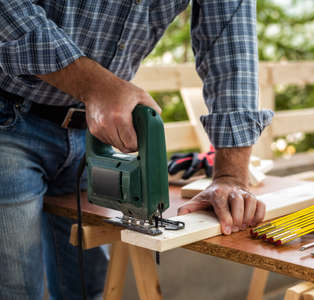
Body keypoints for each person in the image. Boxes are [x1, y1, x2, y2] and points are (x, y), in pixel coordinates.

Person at [0, 0, 273, 299]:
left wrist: (230, 176)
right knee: (15, 290)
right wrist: (96, 85)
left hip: (93, 130)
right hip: (9, 116)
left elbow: (231, 42)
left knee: (87, 287)